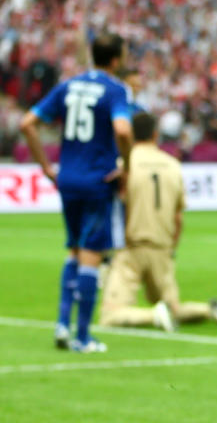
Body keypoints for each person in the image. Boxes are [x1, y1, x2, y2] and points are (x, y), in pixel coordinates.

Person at [19, 33, 133, 353]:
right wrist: (126, 162)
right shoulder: (115, 89)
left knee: (72, 250)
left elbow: (27, 123)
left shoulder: (68, 85)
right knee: (90, 256)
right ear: (115, 60)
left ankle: (61, 323)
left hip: (67, 178)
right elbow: (123, 129)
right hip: (98, 179)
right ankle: (82, 337)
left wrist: (44, 165)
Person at [99, 112, 217, 331]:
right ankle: (208, 310)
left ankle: (153, 316)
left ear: (133, 135)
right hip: (162, 248)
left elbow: (114, 209)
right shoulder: (173, 165)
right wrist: (170, 248)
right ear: (155, 134)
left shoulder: (123, 164)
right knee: (173, 307)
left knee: (110, 314)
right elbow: (178, 217)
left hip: (132, 248)